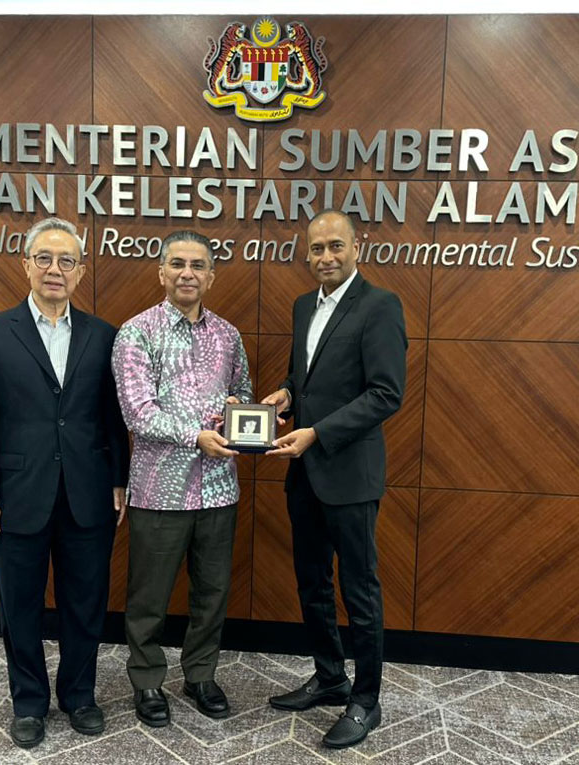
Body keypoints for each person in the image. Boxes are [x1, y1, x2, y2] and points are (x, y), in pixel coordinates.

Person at [0, 217, 129, 749]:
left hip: (89, 495)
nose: (56, 269)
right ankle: (28, 702)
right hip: (16, 497)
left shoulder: (105, 335)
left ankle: (80, 695)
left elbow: (113, 416)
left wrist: (120, 480)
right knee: (20, 606)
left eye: (67, 261)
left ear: (81, 270)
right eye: (45, 258)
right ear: (26, 265)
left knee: (86, 603)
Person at [261, 209, 407, 749]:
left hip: (349, 472)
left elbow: (386, 392)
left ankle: (365, 700)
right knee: (312, 581)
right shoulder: (305, 306)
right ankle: (328, 677)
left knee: (359, 589)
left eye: (335, 246)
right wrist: (285, 394)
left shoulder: (380, 306)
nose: (325, 256)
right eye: (317, 248)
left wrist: (316, 432)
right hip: (305, 473)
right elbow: (310, 377)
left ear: (357, 247)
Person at [112, 230, 252, 728]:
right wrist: (196, 436)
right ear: (161, 273)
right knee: (148, 598)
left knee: (211, 594)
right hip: (158, 489)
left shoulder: (228, 335)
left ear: (211, 276)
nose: (187, 273)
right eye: (177, 264)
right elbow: (137, 411)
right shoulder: (135, 333)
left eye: (197, 265)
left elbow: (242, 389)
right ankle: (148, 681)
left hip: (219, 487)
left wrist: (239, 408)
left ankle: (200, 675)